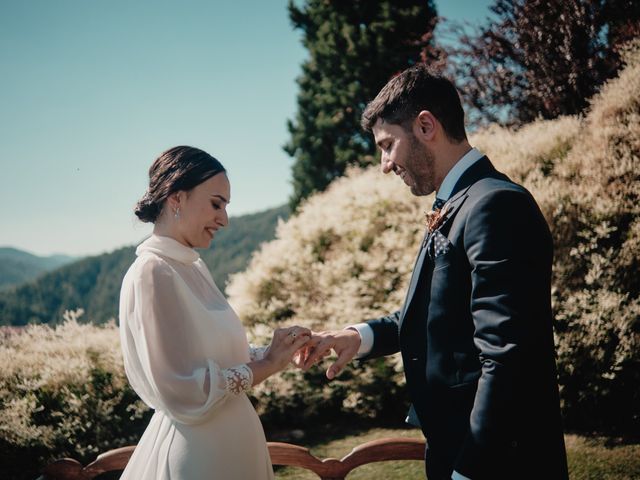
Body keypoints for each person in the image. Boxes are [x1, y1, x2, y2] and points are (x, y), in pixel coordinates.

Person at [300, 65, 569, 479]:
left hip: (496, 462)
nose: (385, 165)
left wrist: (469, 471)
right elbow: (440, 314)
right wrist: (359, 336)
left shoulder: (495, 205)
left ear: (426, 125)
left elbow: (506, 358)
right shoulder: (461, 203)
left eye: (388, 145)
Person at [118, 146, 310, 479]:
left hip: (236, 445)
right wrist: (266, 365)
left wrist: (276, 351)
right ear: (176, 198)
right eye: (215, 204)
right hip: (200, 457)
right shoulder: (153, 272)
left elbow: (215, 360)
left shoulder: (193, 267)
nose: (224, 219)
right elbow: (181, 389)